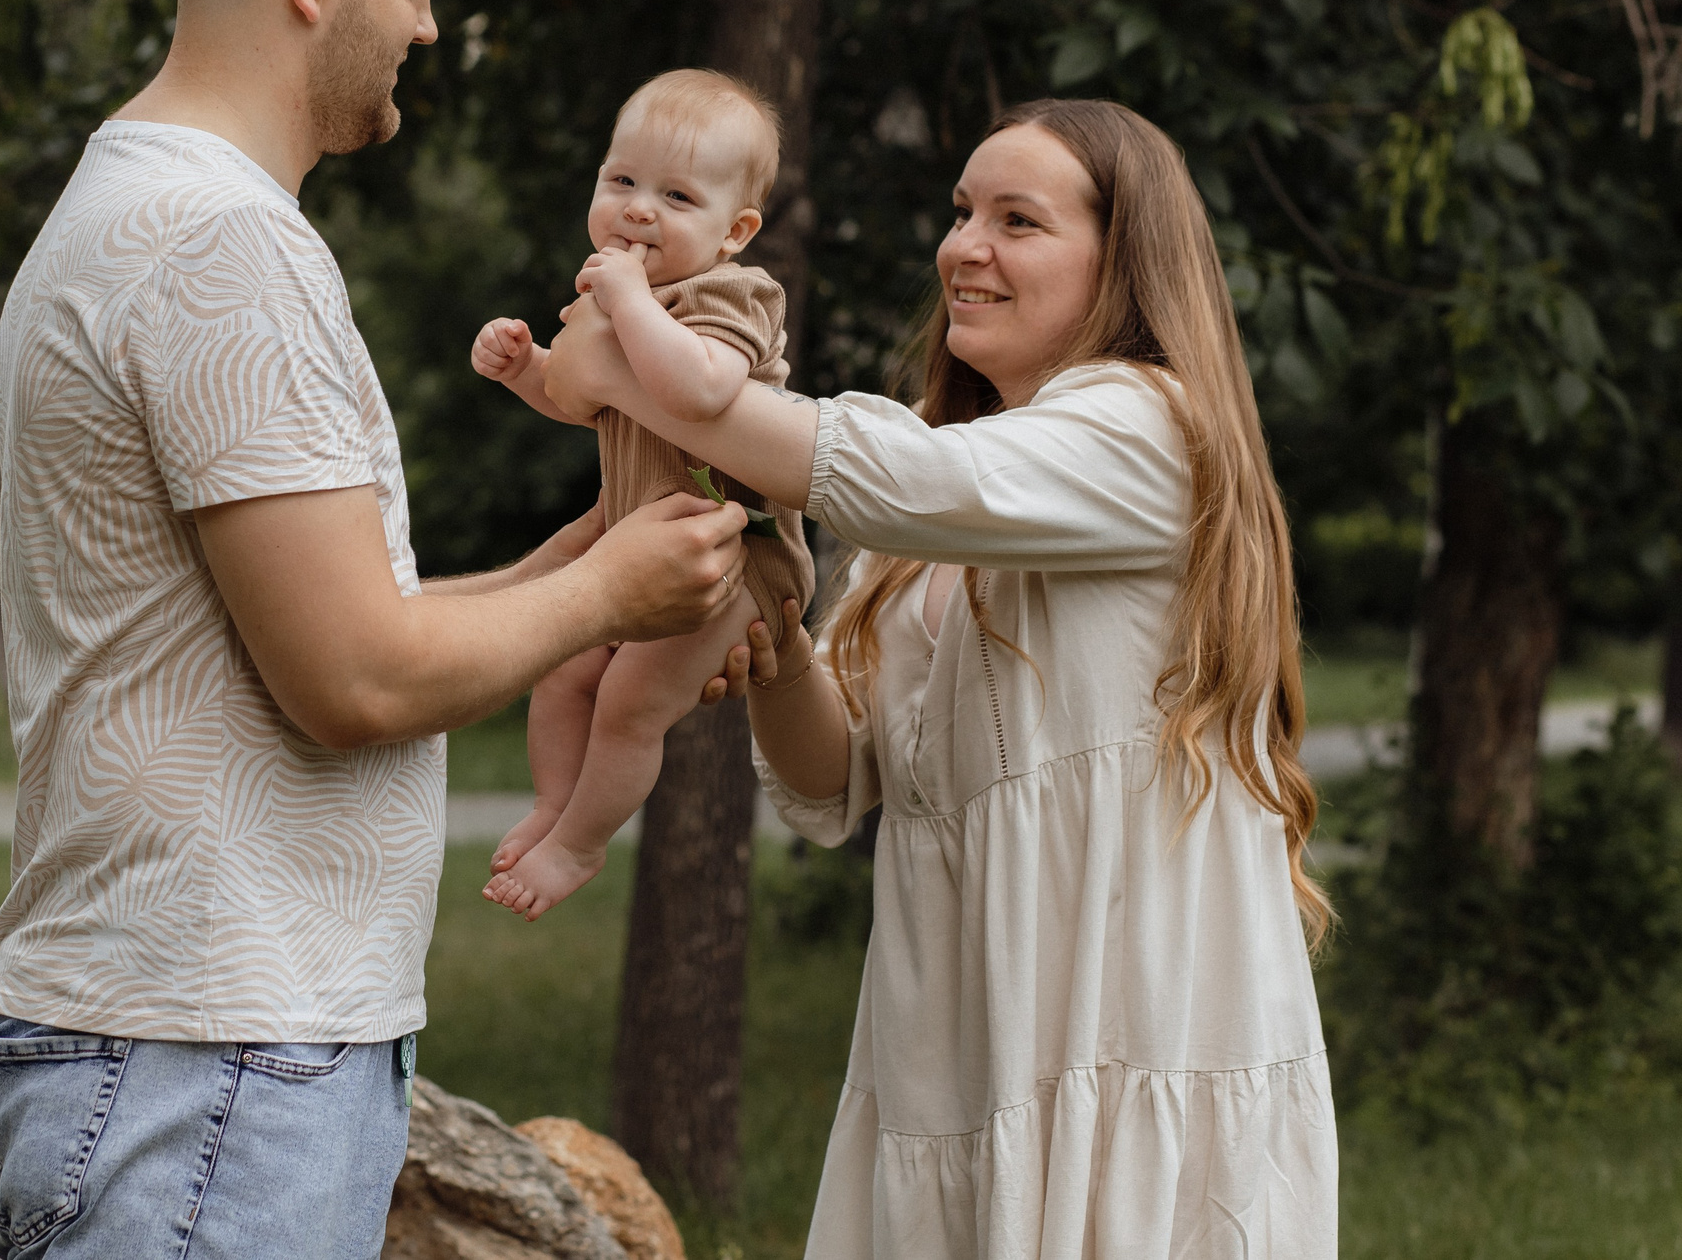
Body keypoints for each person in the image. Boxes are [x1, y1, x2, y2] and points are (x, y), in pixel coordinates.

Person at [0, 0, 755, 1260]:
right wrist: (606, 605)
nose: (428, 23)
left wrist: (591, 561)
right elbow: (355, 680)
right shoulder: (222, 249)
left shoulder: (128, 209)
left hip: (180, 1054)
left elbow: (318, 628)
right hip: (209, 1071)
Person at [558, 99, 1339, 1257]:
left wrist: (634, 377)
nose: (963, 245)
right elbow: (840, 787)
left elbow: (881, 471)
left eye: (1017, 221)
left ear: (1121, 263)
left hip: (1119, 1015)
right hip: (956, 1023)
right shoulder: (945, 488)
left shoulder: (1144, 426)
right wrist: (775, 653)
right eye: (963, 210)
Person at [469, 69, 834, 920]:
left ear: (735, 230)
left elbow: (701, 391)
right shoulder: (616, 293)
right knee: (561, 670)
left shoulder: (731, 295)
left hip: (737, 560)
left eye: (675, 194)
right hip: (640, 547)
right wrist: (530, 369)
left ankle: (583, 844)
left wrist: (627, 304)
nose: (638, 209)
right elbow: (584, 397)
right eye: (621, 180)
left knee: (631, 700)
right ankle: (556, 806)